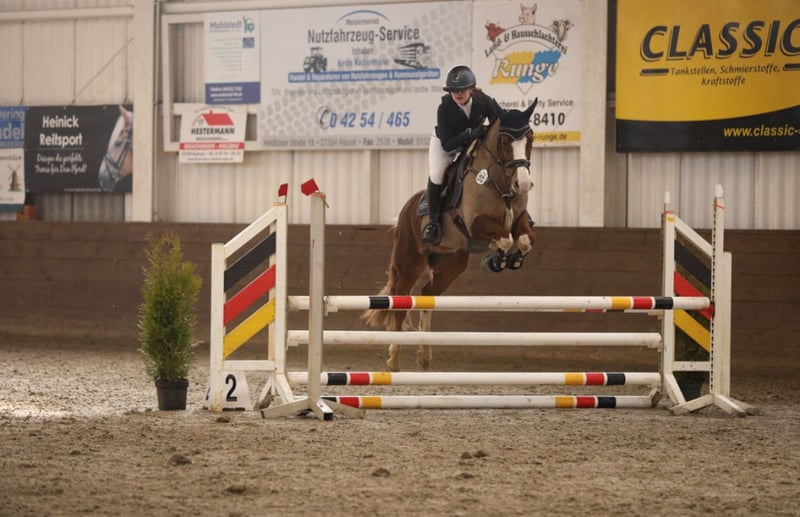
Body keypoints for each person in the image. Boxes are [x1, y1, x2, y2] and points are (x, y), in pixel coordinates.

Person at [422, 65, 504, 244]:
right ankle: (433, 223)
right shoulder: (444, 109)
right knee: (437, 174)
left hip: (471, 142)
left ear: (471, 89)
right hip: (445, 144)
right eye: (454, 90)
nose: (458, 94)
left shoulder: (483, 101)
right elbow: (448, 144)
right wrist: (470, 134)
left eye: (462, 90)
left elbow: (499, 120)